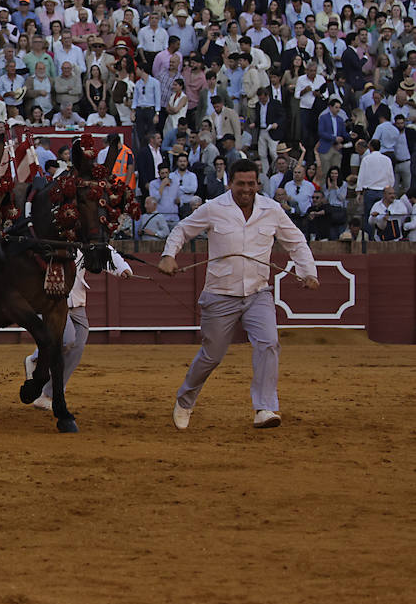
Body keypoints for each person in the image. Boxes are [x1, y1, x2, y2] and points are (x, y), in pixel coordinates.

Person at [159, 159, 319, 430]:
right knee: (212, 355)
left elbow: (296, 241)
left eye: (251, 184)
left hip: (258, 292)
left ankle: (265, 407)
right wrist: (168, 255)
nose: (246, 189)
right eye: (241, 184)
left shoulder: (272, 210)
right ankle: (185, 400)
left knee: (269, 343)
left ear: (258, 183)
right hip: (220, 294)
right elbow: (182, 230)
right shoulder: (213, 208)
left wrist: (309, 272)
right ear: (230, 183)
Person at [22, 245, 133, 409]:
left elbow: (103, 249)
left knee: (78, 345)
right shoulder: (54, 233)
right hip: (53, 300)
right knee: (66, 340)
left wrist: (122, 268)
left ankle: (47, 394)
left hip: (77, 299)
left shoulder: (85, 236)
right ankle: (38, 359)